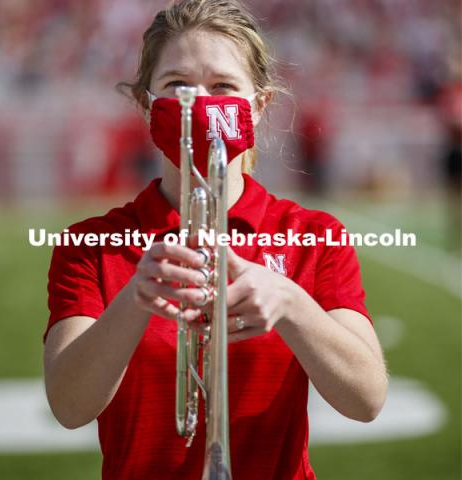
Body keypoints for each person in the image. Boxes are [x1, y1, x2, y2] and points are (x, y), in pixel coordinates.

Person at [43, 1, 388, 479]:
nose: (199, 105)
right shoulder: (90, 245)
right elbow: (68, 406)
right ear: (147, 104)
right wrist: (135, 299)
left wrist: (288, 300)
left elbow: (367, 400)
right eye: (177, 87)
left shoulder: (314, 235)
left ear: (260, 104)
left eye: (222, 86)